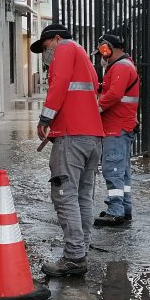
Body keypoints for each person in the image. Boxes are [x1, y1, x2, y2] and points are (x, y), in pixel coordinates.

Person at [31, 24, 103, 277]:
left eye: (45, 47)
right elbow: (91, 88)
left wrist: (45, 119)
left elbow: (58, 85)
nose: (45, 54)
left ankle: (73, 257)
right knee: (82, 197)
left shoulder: (63, 48)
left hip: (72, 138)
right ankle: (80, 250)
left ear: (57, 39)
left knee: (65, 196)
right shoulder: (83, 55)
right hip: (92, 137)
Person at [93, 33, 138, 227]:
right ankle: (124, 208)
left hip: (116, 127)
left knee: (113, 170)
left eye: (103, 53)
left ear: (108, 48)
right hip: (121, 126)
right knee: (122, 172)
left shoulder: (120, 67)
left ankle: (115, 211)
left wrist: (95, 109)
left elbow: (114, 94)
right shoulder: (123, 65)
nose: (103, 57)